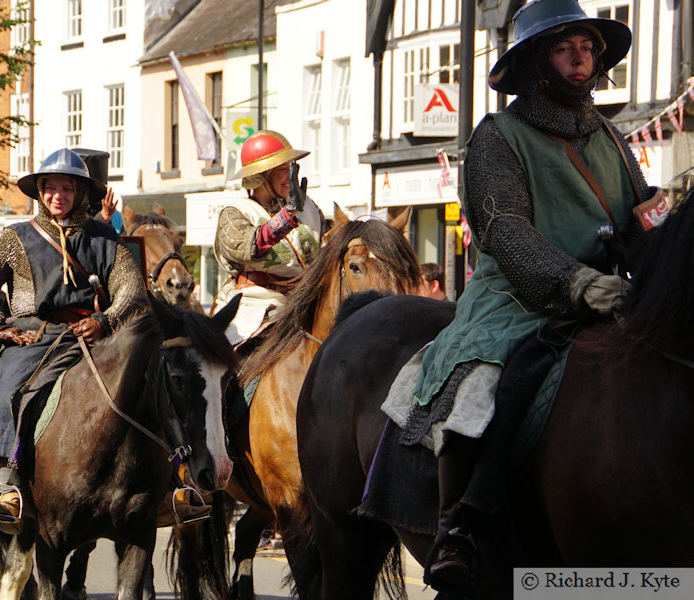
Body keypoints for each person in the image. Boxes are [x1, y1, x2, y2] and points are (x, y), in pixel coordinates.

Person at [379, 0, 652, 593]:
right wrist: (576, 283)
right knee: (480, 383)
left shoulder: (608, 133)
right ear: (535, 63)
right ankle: (460, 527)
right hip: (518, 298)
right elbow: (505, 230)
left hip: (612, 291)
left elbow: (638, 214)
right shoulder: (498, 136)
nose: (579, 56)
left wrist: (659, 246)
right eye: (563, 47)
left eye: (586, 45)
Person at [0, 148, 147, 531]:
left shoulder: (104, 238)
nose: (57, 195)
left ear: (79, 192)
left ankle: (175, 478)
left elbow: (131, 287)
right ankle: (8, 487)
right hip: (34, 336)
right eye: (50, 188)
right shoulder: (16, 237)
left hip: (92, 334)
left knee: (155, 381)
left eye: (66, 188)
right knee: (15, 389)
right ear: (39, 192)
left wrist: (106, 320)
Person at [212, 130, 324, 346]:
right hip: (256, 303)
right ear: (261, 175)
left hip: (308, 300)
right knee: (227, 356)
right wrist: (287, 215)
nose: (291, 175)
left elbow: (331, 241)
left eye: (292, 167)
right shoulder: (235, 212)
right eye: (283, 169)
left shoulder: (308, 206)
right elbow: (249, 246)